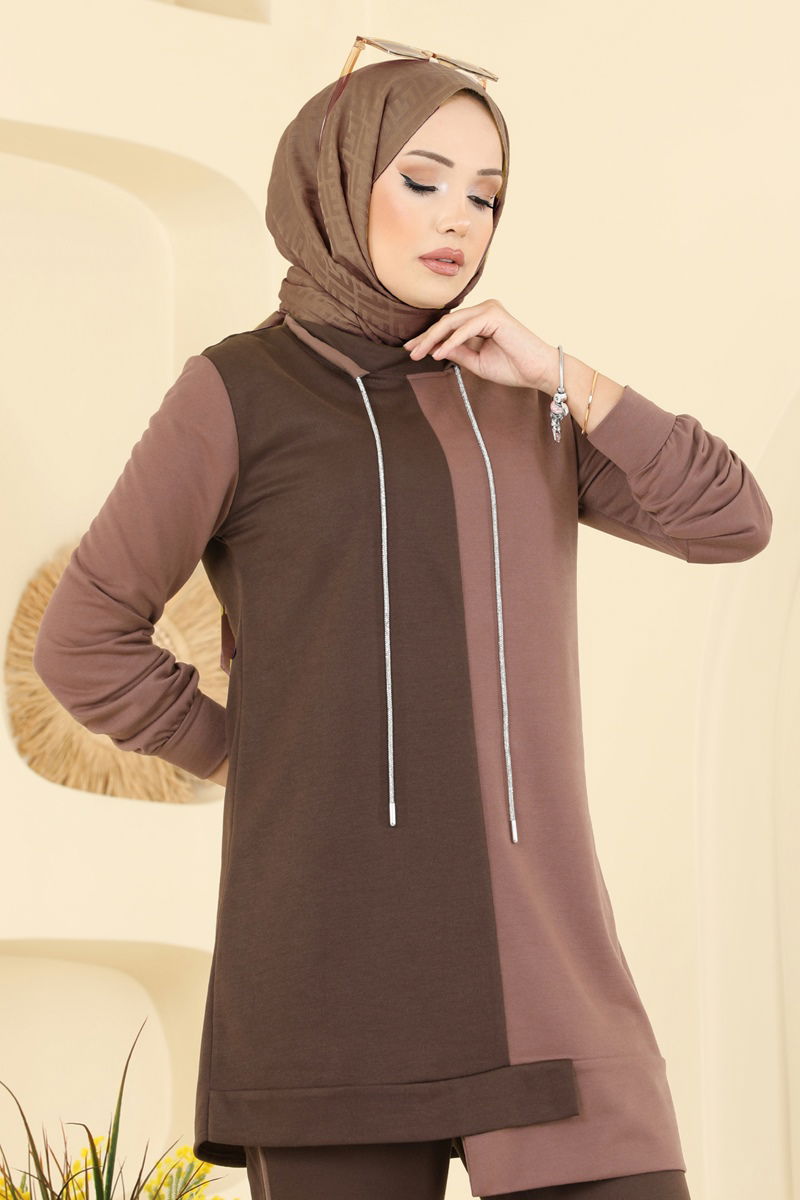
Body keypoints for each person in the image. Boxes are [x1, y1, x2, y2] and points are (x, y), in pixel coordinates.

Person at [32, 50, 773, 1200]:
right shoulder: (236, 392)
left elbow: (730, 523)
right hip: (329, 967)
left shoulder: (526, 399)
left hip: (544, 966)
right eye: (422, 180)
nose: (457, 219)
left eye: (485, 195)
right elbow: (82, 641)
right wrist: (253, 756)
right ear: (334, 181)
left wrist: (563, 374)